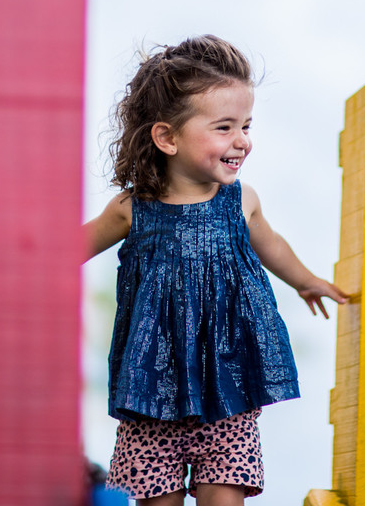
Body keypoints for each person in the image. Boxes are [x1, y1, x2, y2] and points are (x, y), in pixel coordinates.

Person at [85, 35, 348, 506]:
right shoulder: (133, 209)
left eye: (246, 125)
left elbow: (271, 245)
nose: (242, 140)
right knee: (154, 501)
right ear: (167, 137)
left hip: (229, 384)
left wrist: (306, 280)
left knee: (224, 498)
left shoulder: (240, 201)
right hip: (152, 392)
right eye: (224, 128)